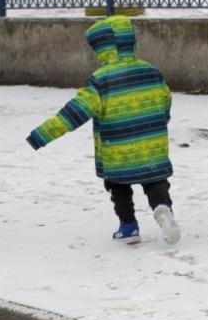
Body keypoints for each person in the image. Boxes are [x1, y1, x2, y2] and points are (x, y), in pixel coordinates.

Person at [26, 15, 180, 246]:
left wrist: (41, 135)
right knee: (155, 181)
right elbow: (166, 101)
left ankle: (128, 227)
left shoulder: (100, 80)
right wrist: (157, 123)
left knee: (118, 186)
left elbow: (74, 113)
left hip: (117, 151)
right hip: (152, 146)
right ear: (130, 42)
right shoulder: (151, 71)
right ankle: (162, 208)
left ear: (102, 49)